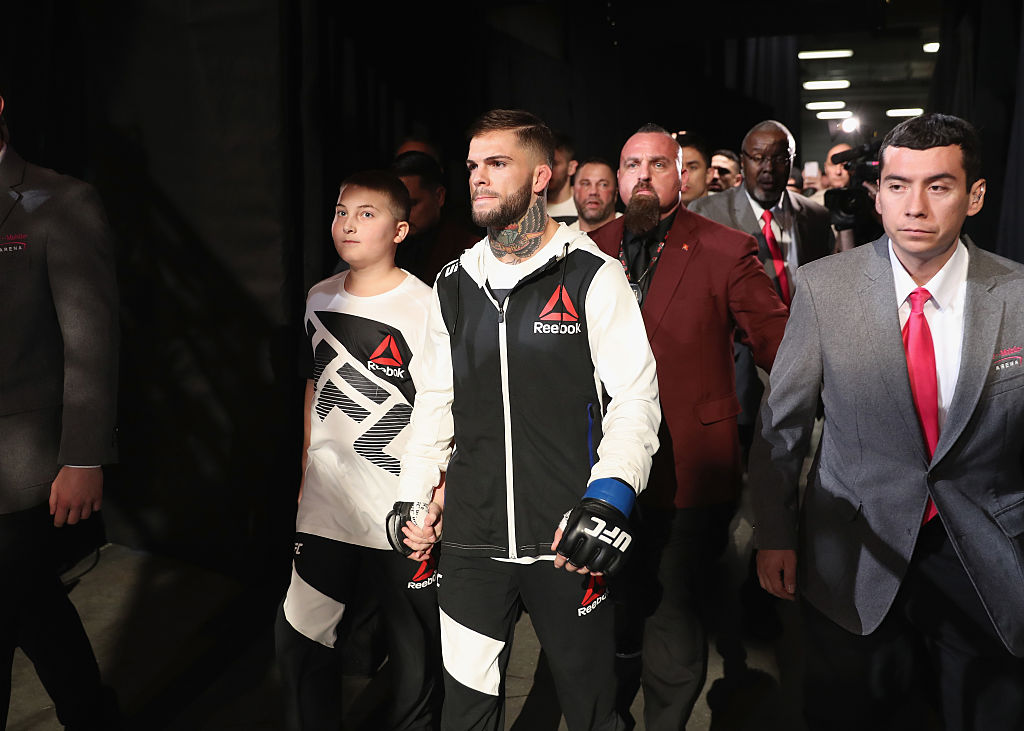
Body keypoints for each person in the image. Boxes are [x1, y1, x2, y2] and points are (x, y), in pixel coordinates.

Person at [751, 112, 1024, 730]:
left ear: (974, 195)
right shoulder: (824, 288)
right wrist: (773, 531)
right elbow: (782, 427)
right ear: (877, 197)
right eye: (898, 186)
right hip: (853, 549)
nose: (915, 206)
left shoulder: (1017, 296)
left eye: (939, 185)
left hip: (984, 555)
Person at [390, 109, 661, 731]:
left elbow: (636, 399)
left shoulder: (593, 274)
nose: (478, 179)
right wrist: (415, 496)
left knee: (593, 711)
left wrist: (611, 496)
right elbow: (433, 403)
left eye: (496, 164)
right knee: (468, 712)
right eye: (471, 166)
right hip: (469, 544)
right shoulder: (453, 284)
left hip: (569, 539)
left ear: (540, 177)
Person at [588, 123, 788, 730]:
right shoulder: (586, 250)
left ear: (682, 174)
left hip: (691, 466)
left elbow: (781, 349)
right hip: (602, 466)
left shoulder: (726, 248)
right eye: (630, 165)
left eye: (657, 164)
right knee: (610, 611)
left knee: (673, 616)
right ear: (618, 179)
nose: (642, 176)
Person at [275, 170, 442, 730]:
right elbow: (313, 384)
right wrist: (307, 467)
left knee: (412, 658)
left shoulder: (427, 306)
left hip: (398, 507)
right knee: (301, 640)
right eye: (342, 211)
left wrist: (434, 498)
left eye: (366, 214)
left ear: (400, 229)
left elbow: (441, 409)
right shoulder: (318, 295)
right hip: (325, 504)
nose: (348, 223)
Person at [0, 93, 120, 729]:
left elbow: (90, 340)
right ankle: (91, 713)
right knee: (34, 606)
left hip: (22, 464)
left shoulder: (60, 201)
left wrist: (83, 454)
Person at [690, 120, 834, 454]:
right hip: (735, 368)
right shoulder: (706, 213)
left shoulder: (815, 217)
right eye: (758, 158)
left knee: (786, 480)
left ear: (792, 159)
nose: (768, 168)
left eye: (779, 158)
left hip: (801, 369)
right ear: (743, 161)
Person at [392, 151, 478, 284]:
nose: (404, 213)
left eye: (413, 203)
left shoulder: (470, 250)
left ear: (439, 196)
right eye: (398, 204)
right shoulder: (387, 244)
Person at [568, 157, 620, 232]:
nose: (593, 192)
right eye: (585, 184)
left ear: (615, 194)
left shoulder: (631, 234)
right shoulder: (563, 239)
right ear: (574, 191)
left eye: (603, 185)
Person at [545, 131, 579, 224]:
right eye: (543, 163)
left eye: (554, 164)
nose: (547, 170)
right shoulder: (530, 206)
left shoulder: (585, 204)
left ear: (571, 167)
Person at [677, 133, 712, 206]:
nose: (682, 174)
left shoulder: (727, 214)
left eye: (692, 167)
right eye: (677, 167)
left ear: (709, 174)